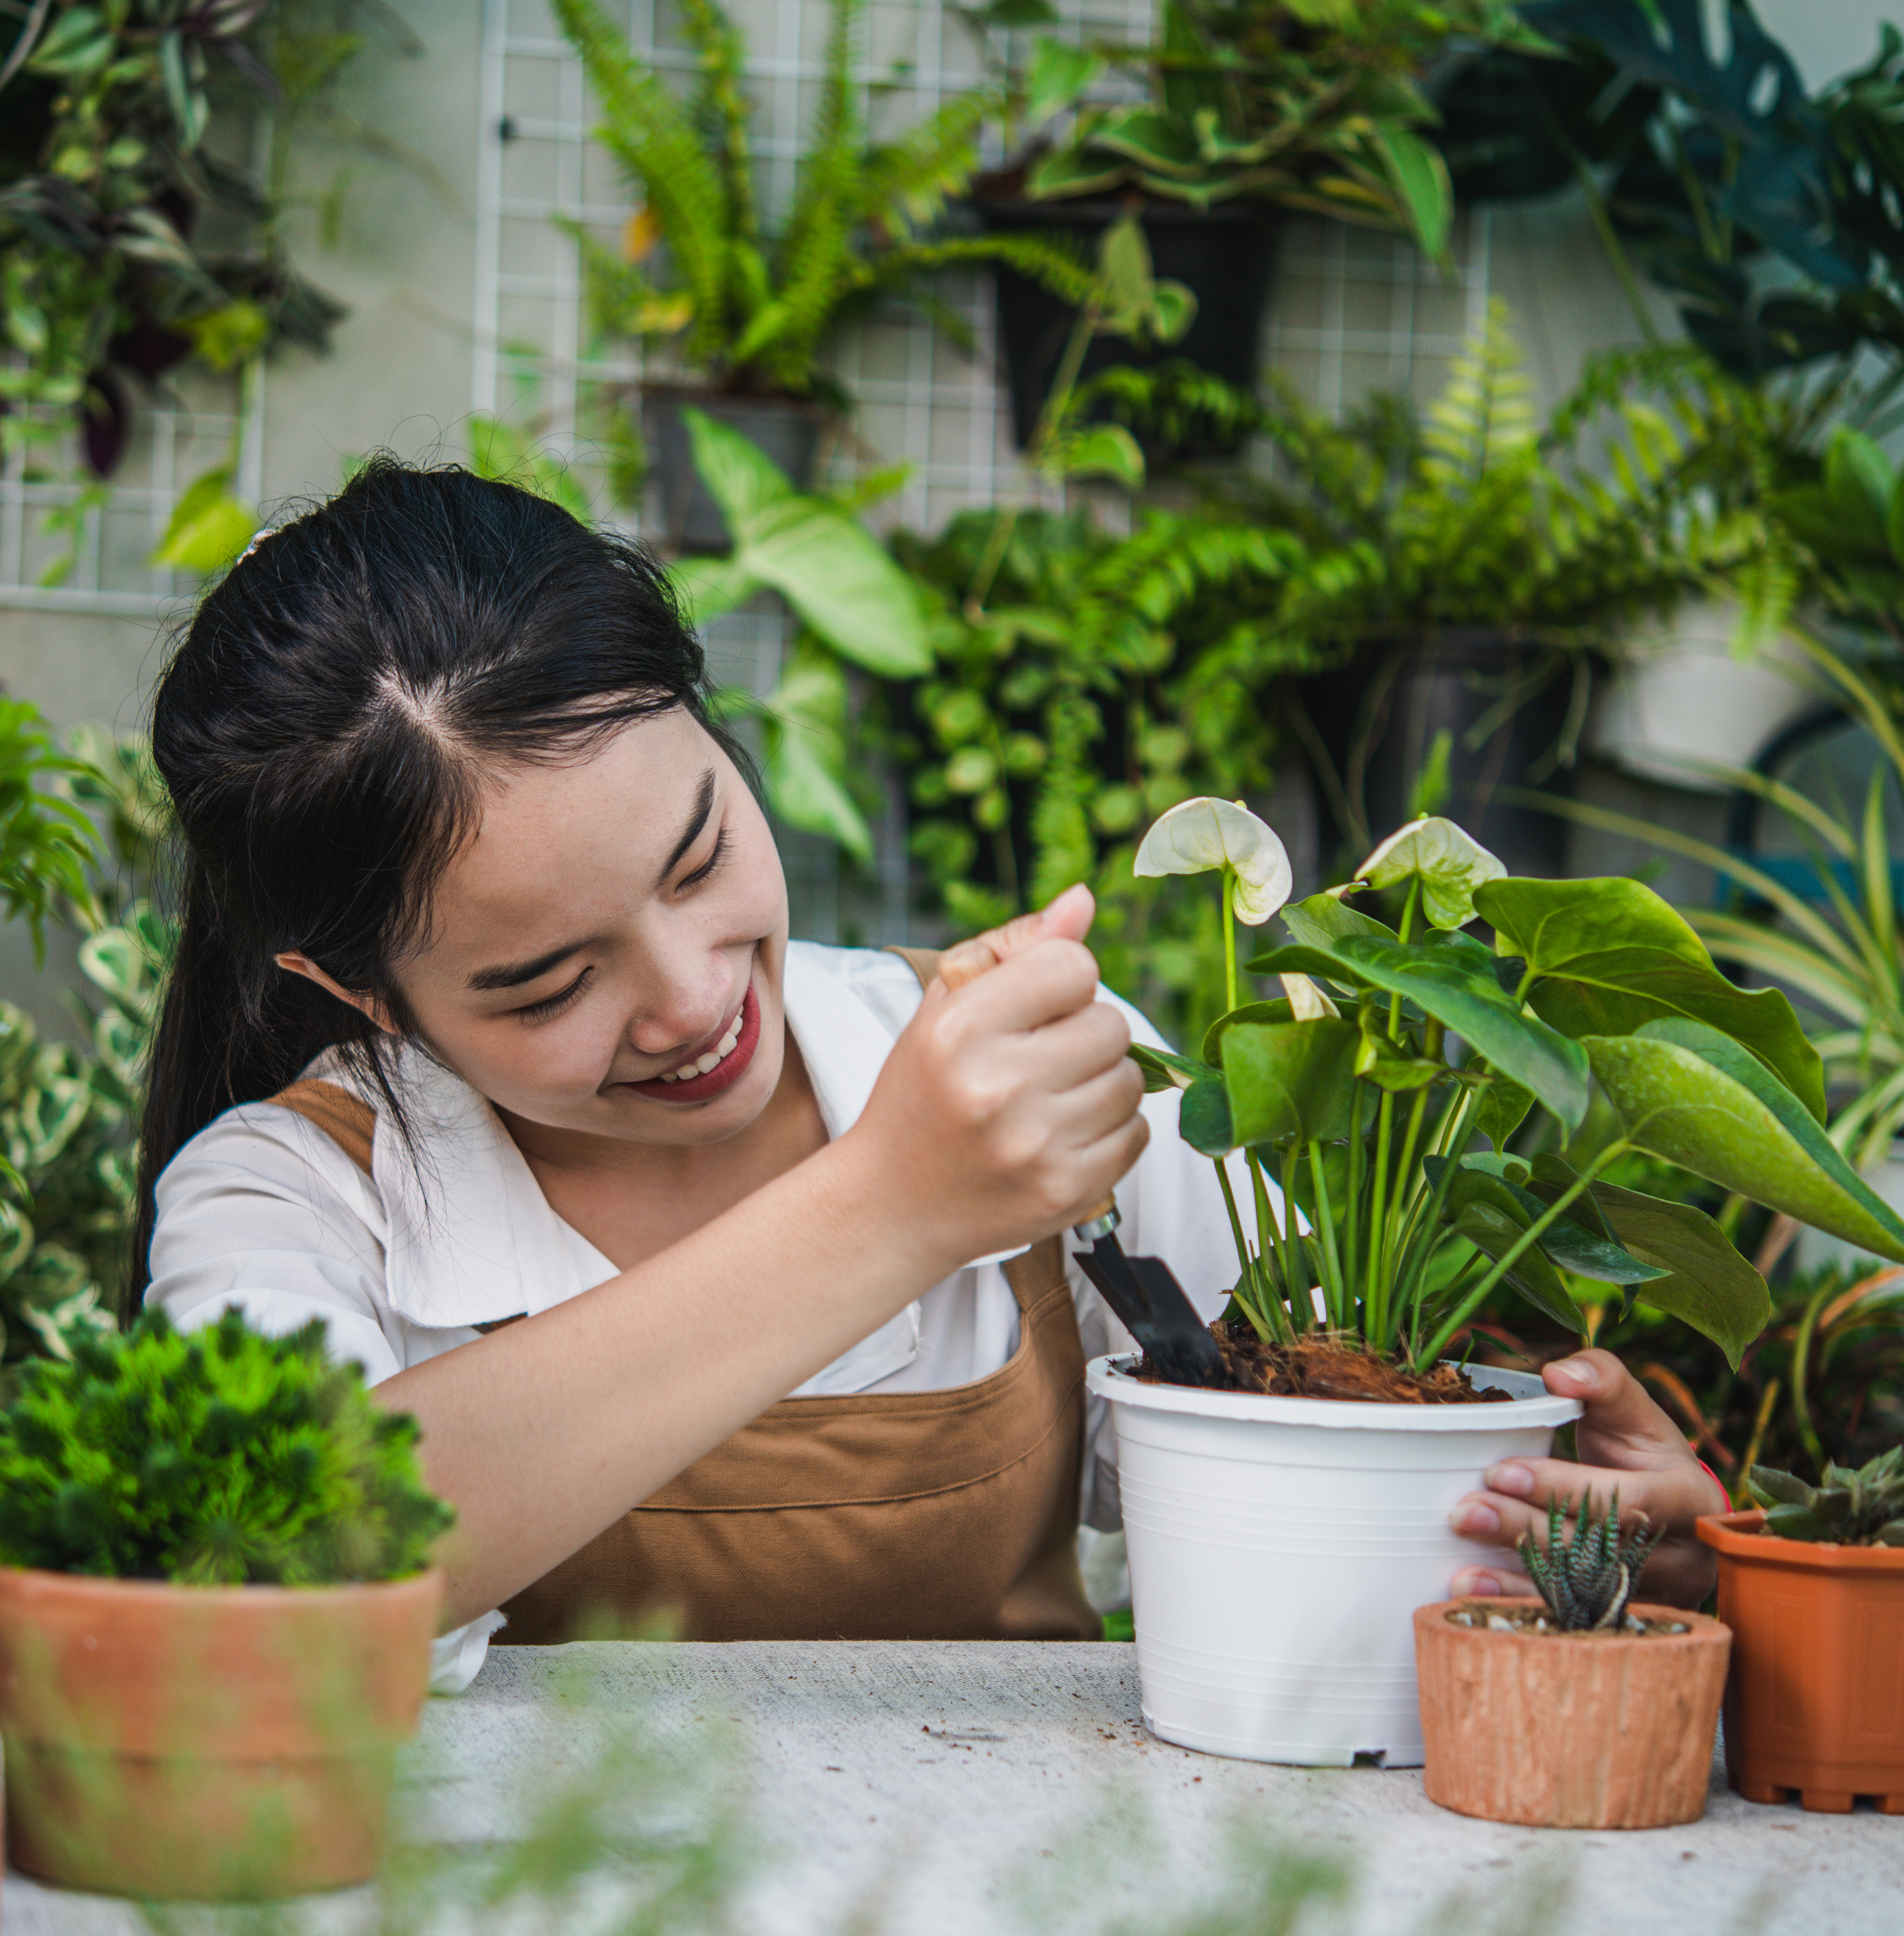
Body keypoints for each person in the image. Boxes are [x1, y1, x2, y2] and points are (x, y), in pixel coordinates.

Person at [134, 459, 1723, 1685]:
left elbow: (1325, 1505)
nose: (689, 1003)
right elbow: (283, 1589)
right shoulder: (286, 1198)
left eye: (698, 863)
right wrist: (887, 1209)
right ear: (358, 992)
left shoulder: (995, 1076)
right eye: (549, 981)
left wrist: (1599, 1541)